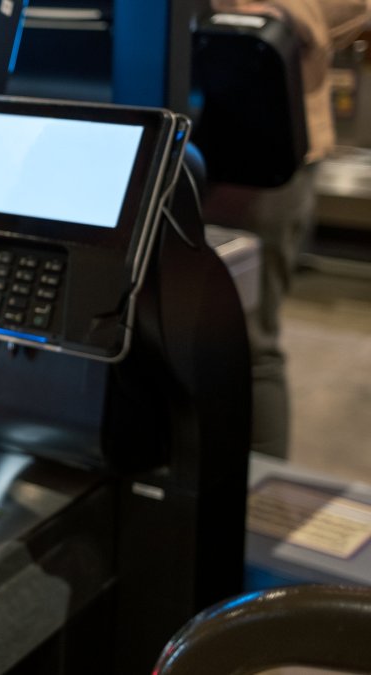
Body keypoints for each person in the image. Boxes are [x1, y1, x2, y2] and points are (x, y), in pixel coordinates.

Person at [205, 0, 370, 459]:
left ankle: (255, 503)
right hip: (149, 120)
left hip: (255, 136)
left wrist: (278, 13)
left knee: (243, 342)